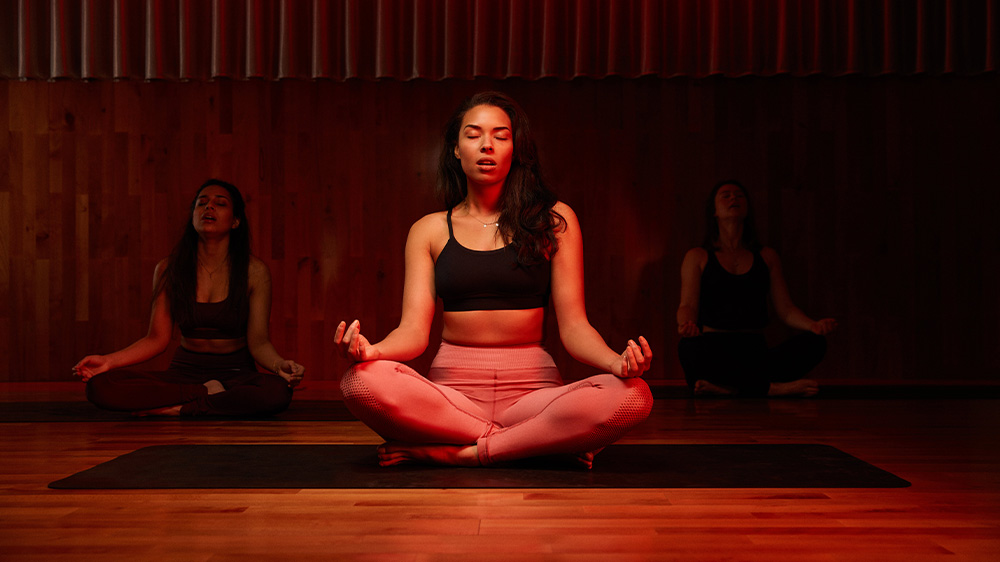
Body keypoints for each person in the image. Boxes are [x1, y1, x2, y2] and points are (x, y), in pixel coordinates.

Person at [335, 91, 654, 468]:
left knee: (635, 395)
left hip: (533, 396)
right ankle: (539, 442)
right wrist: (373, 352)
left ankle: (461, 453)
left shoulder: (553, 221)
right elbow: (413, 333)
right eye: (473, 135)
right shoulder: (429, 230)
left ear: (515, 150)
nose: (487, 145)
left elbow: (575, 328)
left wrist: (616, 363)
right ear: (456, 149)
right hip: (453, 399)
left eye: (501, 136)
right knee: (359, 381)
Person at [73, 179, 305, 416]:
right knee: (100, 387)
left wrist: (279, 365)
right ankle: (205, 397)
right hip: (184, 373)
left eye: (220, 203)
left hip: (236, 373)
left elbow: (259, 342)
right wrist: (108, 361)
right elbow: (156, 339)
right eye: (201, 203)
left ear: (235, 221)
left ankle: (179, 408)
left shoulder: (254, 272)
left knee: (277, 392)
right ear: (193, 217)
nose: (209, 207)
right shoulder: (169, 268)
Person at [676, 180, 836, 398]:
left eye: (739, 195)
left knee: (815, 343)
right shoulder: (698, 256)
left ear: (747, 208)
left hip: (754, 349)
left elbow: (786, 310)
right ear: (714, 211)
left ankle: (729, 389)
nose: (733, 198)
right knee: (688, 348)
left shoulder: (767, 256)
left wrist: (813, 325)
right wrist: (686, 325)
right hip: (715, 348)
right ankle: (770, 389)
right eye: (726, 195)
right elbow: (687, 305)